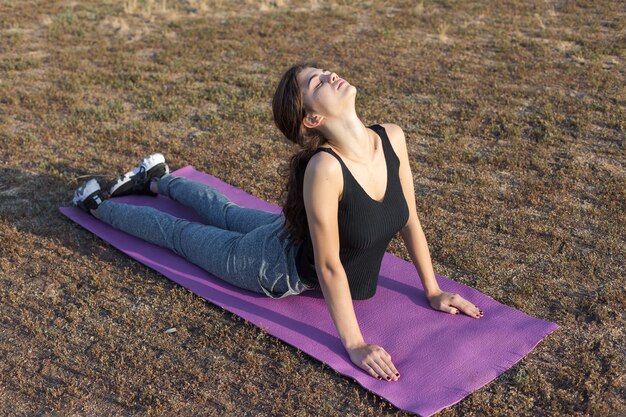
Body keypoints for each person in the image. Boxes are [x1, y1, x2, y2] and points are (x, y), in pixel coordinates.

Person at [72, 63, 484, 383]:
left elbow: (410, 217)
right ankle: (98, 205)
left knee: (227, 211)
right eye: (318, 82)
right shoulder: (325, 169)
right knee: (180, 235)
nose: (330, 75)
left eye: (323, 72)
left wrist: (432, 290)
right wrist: (355, 344)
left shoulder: (392, 137)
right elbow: (328, 267)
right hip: (268, 265)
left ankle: (159, 181)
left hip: (283, 235)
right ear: (311, 119)